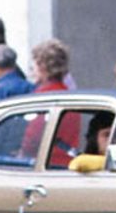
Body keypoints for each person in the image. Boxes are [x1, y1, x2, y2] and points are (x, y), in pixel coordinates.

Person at [21, 39, 80, 167]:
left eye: (34, 65)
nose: (32, 71)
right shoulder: (70, 96)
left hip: (44, 163)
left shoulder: (42, 98)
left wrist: (21, 153)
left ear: (42, 66)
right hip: (66, 163)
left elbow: (32, 139)